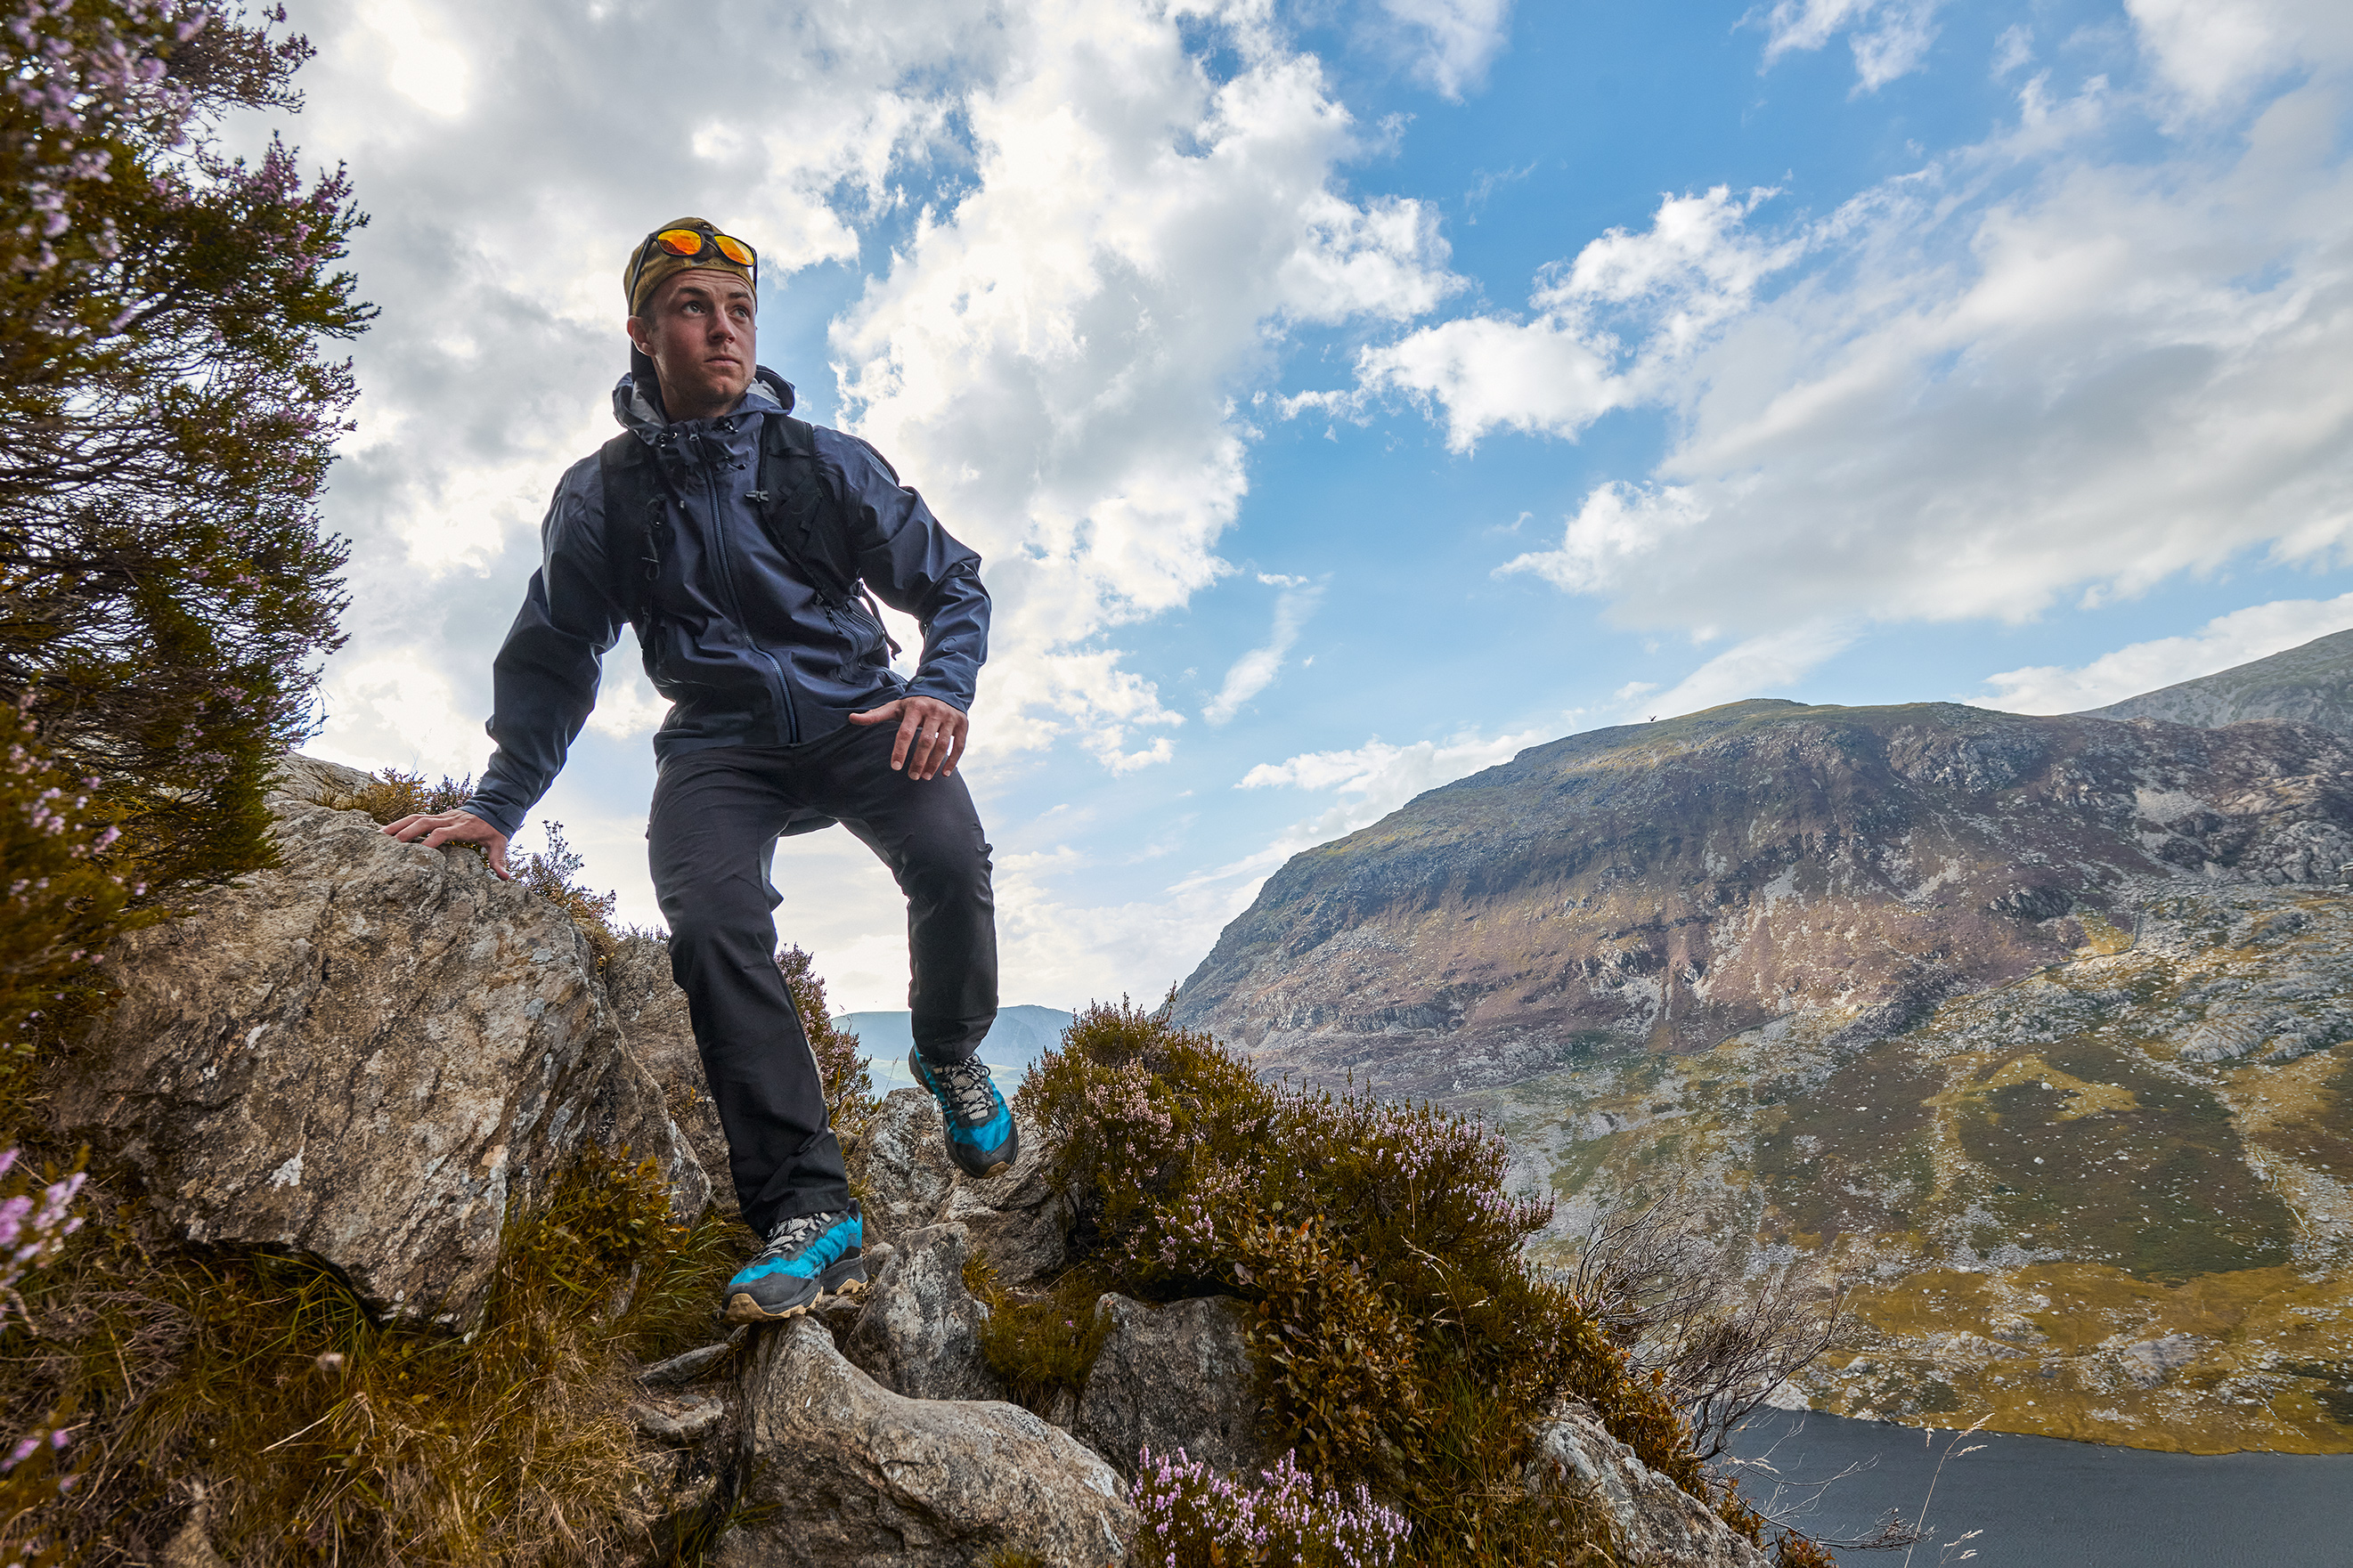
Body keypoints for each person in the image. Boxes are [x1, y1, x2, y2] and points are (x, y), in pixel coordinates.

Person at [382, 218, 1015, 1326]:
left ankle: (948, 1052)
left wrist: (941, 687)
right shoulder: (604, 496)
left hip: (862, 715)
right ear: (641, 333)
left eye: (738, 311)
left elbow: (951, 582)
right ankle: (809, 1214)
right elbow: (552, 656)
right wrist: (495, 807)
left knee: (951, 859)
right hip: (719, 745)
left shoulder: (821, 462)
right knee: (709, 916)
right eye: (691, 308)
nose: (722, 330)